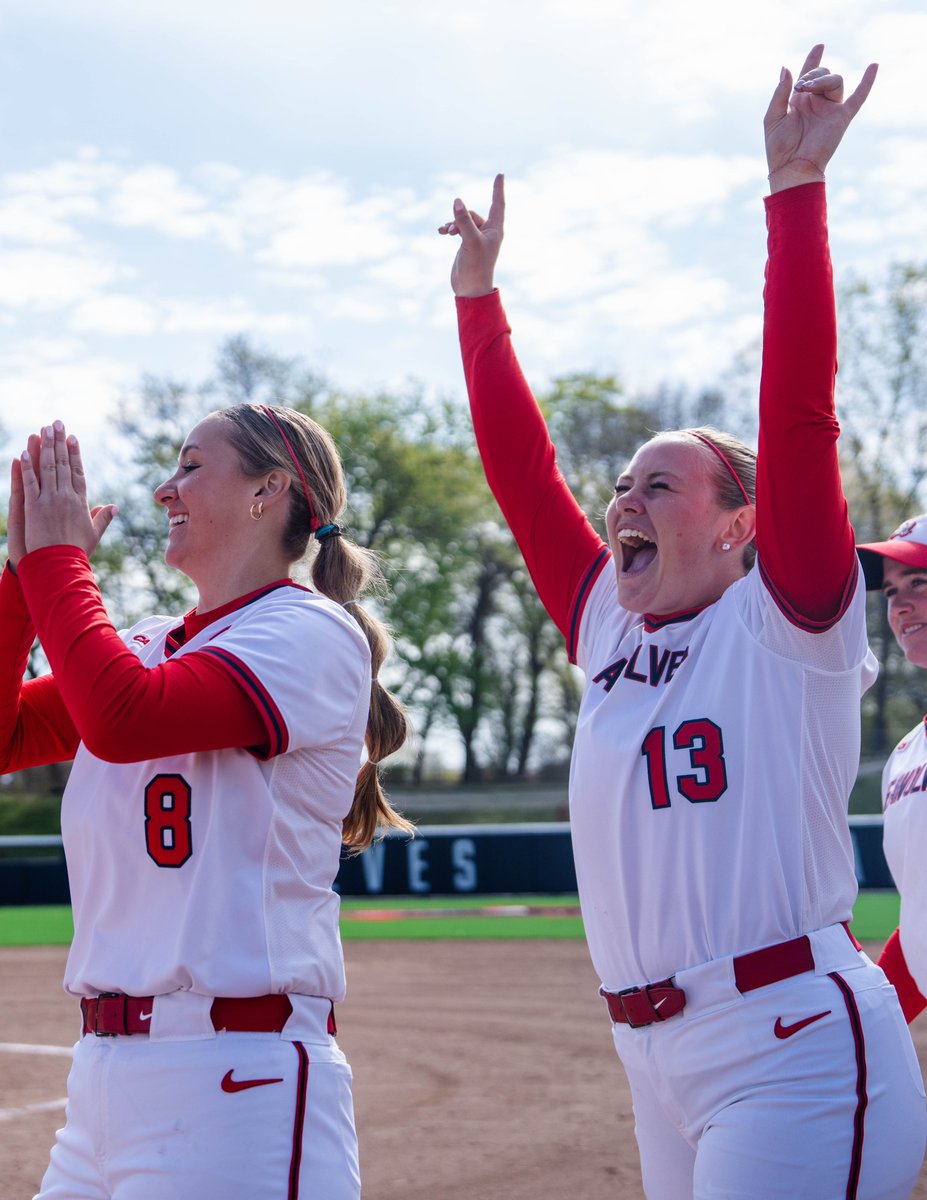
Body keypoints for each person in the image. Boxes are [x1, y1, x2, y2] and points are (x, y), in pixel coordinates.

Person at [439, 46, 927, 1200]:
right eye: (623, 485)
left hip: (793, 1045)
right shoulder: (611, 624)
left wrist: (794, 193)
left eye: (661, 485)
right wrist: (476, 298)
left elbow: (799, 415)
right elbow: (523, 472)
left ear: (739, 527)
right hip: (651, 1054)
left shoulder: (788, 622)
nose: (624, 501)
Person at [1, 402, 412, 1199]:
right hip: (104, 1080)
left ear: (269, 489)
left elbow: (126, 720)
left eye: (191, 465)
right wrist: (23, 578)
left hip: (235, 1084)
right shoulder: (154, 640)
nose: (164, 489)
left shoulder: (309, 631)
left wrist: (60, 564)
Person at [858, 518, 927, 1025]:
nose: (900, 606)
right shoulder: (906, 754)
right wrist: (877, 1025)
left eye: (919, 584)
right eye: (890, 591)